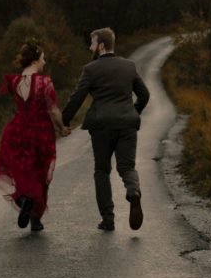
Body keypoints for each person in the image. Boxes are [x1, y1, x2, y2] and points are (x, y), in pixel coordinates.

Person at [62, 27, 150, 231]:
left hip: (102, 127)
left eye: (92, 43)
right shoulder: (129, 66)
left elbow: (77, 97)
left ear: (101, 46)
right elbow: (144, 95)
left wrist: (65, 121)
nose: (90, 47)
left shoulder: (91, 69)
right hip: (127, 125)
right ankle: (133, 191)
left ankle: (108, 218)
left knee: (102, 170)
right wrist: (132, 112)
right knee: (127, 168)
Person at [0, 39, 71, 232]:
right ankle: (36, 219)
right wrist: (62, 128)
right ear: (35, 60)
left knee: (21, 171)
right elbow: (52, 110)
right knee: (41, 173)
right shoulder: (44, 82)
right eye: (43, 58)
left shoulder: (15, 81)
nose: (44, 62)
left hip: (17, 130)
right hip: (40, 131)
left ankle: (24, 199)